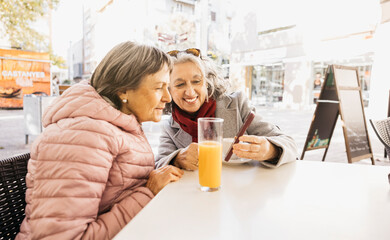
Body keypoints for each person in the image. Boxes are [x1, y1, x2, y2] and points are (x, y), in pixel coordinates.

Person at [16, 42, 184, 240]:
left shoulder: (118, 124)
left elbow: (124, 183)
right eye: (159, 87)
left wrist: (173, 162)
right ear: (123, 91)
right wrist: (148, 193)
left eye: (168, 87)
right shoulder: (84, 135)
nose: (167, 97)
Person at [155, 48, 298, 170]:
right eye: (180, 85)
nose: (190, 92)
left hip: (241, 194)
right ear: (168, 90)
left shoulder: (237, 104)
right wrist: (177, 159)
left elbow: (289, 144)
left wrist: (270, 150)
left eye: (196, 81)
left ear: (207, 82)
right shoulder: (170, 126)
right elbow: (158, 165)